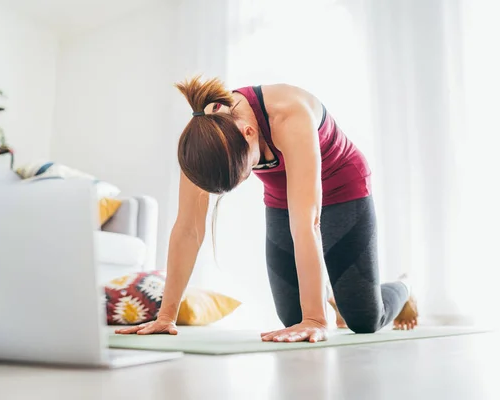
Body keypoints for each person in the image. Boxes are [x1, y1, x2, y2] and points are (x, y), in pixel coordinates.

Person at [116, 77, 418, 342]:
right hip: (282, 195)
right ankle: (333, 293)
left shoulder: (288, 114)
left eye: (244, 173)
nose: (247, 177)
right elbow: (188, 229)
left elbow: (307, 223)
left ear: (249, 132)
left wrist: (315, 319)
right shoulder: (202, 140)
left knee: (364, 320)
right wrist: (166, 316)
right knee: (291, 319)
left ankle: (402, 287)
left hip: (343, 186)